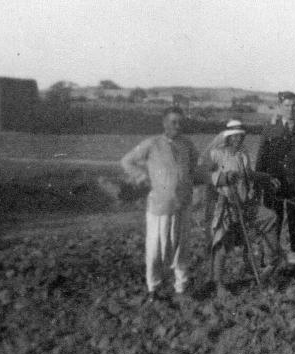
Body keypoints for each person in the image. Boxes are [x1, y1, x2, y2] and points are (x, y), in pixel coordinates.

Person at [120, 106, 199, 299]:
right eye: (173, 122)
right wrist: (142, 177)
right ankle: (153, 288)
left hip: (183, 203)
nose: (177, 126)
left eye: (180, 122)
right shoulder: (152, 144)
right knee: (155, 249)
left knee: (182, 248)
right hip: (159, 206)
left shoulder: (187, 145)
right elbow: (127, 161)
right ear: (164, 123)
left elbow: (194, 167)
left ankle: (181, 287)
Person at [200, 119, 283, 292]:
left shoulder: (242, 154)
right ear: (228, 138)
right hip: (224, 206)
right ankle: (219, 283)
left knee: (270, 217)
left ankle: (269, 264)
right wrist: (222, 178)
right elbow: (202, 174)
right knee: (222, 242)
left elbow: (249, 175)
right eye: (236, 137)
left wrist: (267, 178)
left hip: (244, 204)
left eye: (241, 136)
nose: (239, 140)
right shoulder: (216, 154)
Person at [255, 91, 295, 256]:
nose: (290, 109)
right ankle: (271, 262)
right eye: (287, 106)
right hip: (274, 185)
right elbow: (261, 159)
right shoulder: (269, 130)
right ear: (280, 107)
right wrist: (258, 185)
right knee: (272, 225)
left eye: (294, 105)